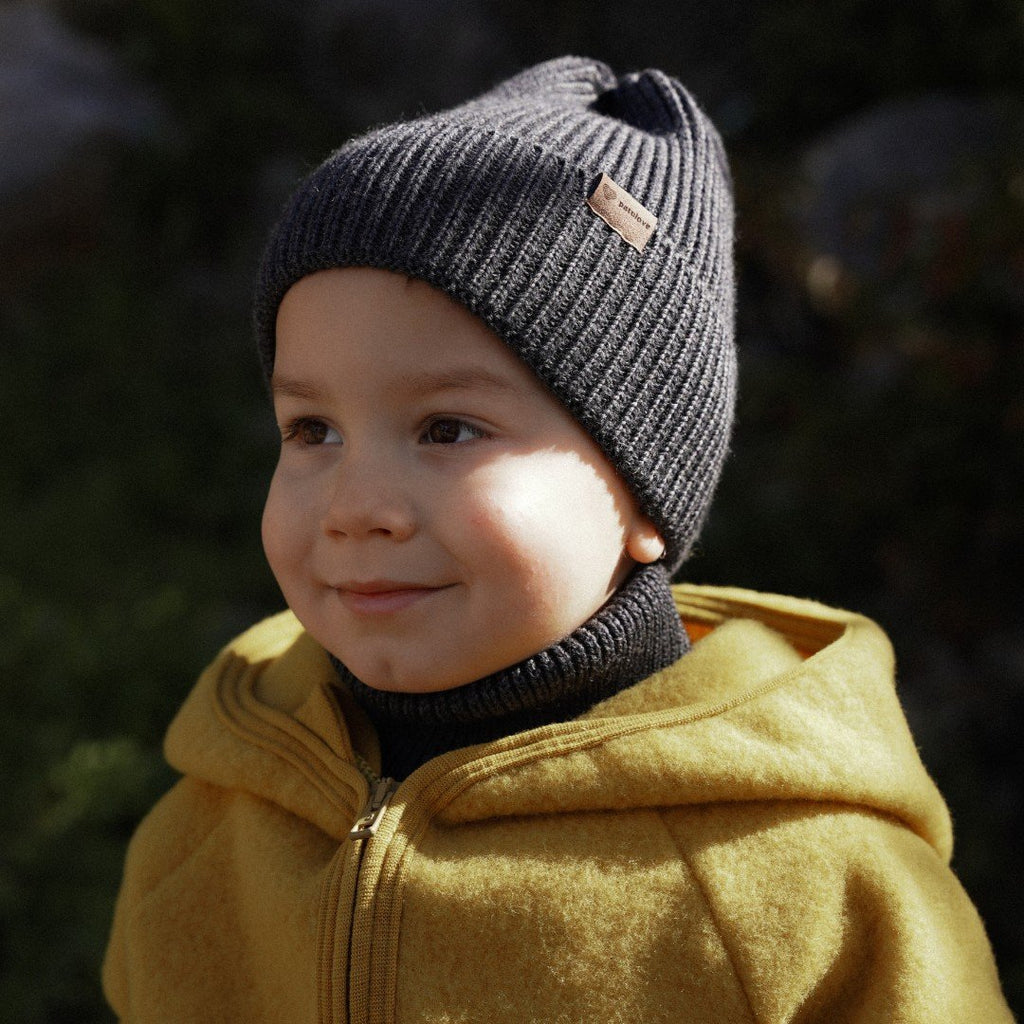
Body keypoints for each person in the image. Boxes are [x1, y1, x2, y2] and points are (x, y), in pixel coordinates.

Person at [102, 56, 1013, 1023]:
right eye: (311, 430)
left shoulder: (815, 890)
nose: (353, 504)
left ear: (642, 495)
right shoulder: (208, 830)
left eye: (448, 429)